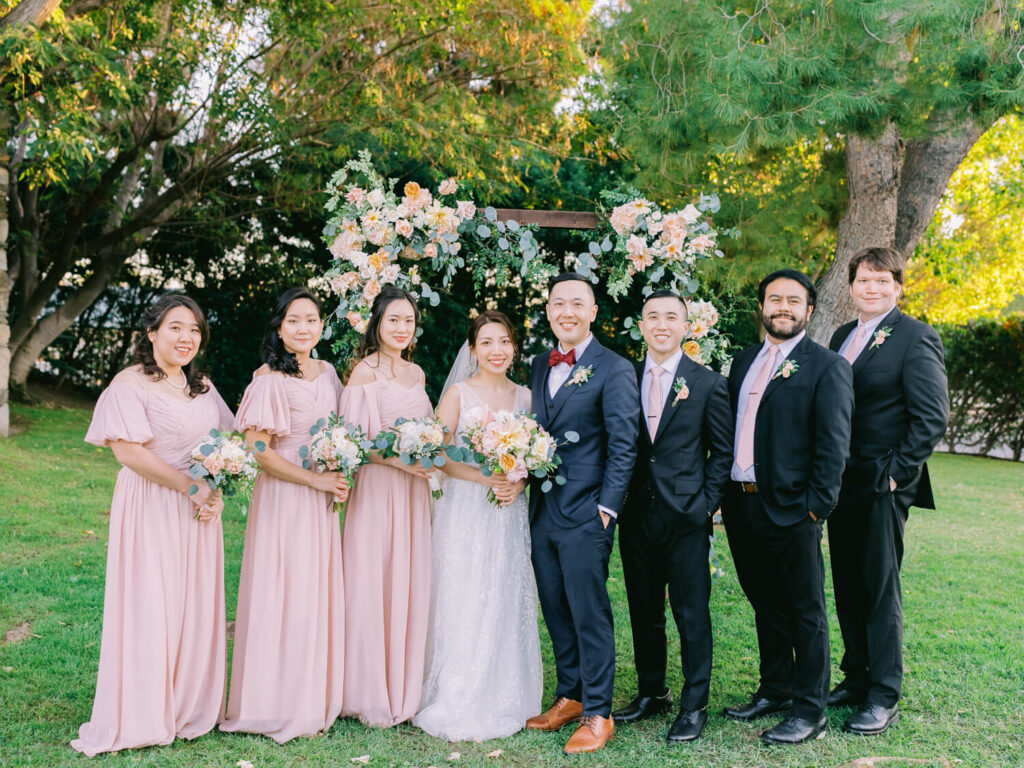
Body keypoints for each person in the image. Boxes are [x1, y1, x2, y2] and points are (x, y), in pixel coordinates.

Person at [72, 295, 235, 756]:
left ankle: (185, 704)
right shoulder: (130, 384)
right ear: (152, 333)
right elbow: (127, 451)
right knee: (152, 604)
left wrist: (215, 491)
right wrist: (189, 486)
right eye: (176, 328)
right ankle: (144, 710)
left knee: (192, 604)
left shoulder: (202, 387)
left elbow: (226, 445)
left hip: (198, 509)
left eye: (195, 330)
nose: (186, 338)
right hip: (151, 504)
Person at [721, 269, 853, 745]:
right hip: (741, 506)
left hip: (795, 510)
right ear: (762, 307)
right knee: (765, 603)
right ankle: (775, 688)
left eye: (793, 300)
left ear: (809, 311)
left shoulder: (827, 366)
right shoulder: (742, 362)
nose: (782, 306)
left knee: (805, 610)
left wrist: (816, 509)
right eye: (774, 298)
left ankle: (810, 711)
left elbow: (834, 445)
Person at [826, 247, 949, 735]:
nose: (872, 288)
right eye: (863, 279)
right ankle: (856, 677)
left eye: (882, 280)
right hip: (840, 482)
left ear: (898, 286)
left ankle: (884, 694)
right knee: (848, 582)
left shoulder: (915, 337)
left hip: (882, 483)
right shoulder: (841, 336)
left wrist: (897, 474)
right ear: (851, 286)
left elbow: (932, 417)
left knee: (878, 586)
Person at [220, 287, 348, 743]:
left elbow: (338, 432)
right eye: (294, 320)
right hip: (285, 496)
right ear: (279, 327)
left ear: (321, 326)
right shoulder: (270, 379)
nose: (303, 328)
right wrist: (313, 480)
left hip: (322, 499)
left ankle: (310, 695)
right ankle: (273, 702)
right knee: (284, 589)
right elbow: (259, 451)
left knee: (314, 591)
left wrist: (338, 467)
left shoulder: (330, 373)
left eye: (311, 320)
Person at [413, 311, 542, 741]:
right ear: (472, 350)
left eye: (504, 341)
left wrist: (517, 482)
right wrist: (481, 477)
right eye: (486, 343)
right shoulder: (459, 394)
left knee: (505, 590)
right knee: (465, 590)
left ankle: (507, 693)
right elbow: (438, 454)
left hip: (508, 511)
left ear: (514, 347)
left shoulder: (526, 397)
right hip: (466, 508)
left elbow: (536, 457)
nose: (496, 350)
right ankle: (458, 692)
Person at [525, 273, 641, 755]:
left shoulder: (613, 368)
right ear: (549, 310)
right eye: (558, 303)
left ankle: (599, 712)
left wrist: (607, 509)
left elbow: (624, 442)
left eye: (577, 303)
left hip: (587, 513)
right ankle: (570, 697)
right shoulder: (537, 365)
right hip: (542, 511)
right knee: (555, 607)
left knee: (589, 613)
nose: (566, 311)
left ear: (593, 311)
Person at [612, 290, 733, 744]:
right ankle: (651, 692)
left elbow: (722, 452)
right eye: (652, 317)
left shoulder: (707, 383)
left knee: (690, 612)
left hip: (687, 516)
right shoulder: (623, 377)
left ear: (687, 327)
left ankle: (694, 703)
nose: (661, 324)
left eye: (671, 317)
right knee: (643, 609)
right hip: (636, 514)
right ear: (641, 326)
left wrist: (706, 505)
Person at [339, 285, 435, 727]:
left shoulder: (416, 374)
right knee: (373, 578)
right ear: (377, 323)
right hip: (379, 488)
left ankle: (405, 682)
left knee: (409, 578)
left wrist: (427, 457)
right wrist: (401, 461)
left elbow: (432, 431)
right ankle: (368, 687)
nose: (401, 328)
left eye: (409, 321)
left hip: (415, 493)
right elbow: (355, 444)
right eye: (394, 319)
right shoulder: (363, 372)